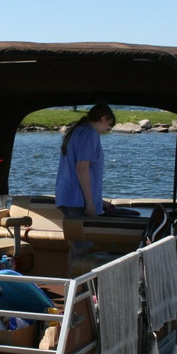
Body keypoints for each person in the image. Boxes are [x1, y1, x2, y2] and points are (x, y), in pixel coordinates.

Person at [55, 103, 116, 264]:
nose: (106, 129)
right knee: (81, 250)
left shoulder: (76, 131)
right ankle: (78, 288)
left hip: (67, 197)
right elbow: (82, 168)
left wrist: (98, 200)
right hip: (78, 201)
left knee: (76, 247)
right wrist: (90, 203)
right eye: (108, 125)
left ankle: (76, 286)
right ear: (103, 119)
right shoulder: (90, 134)